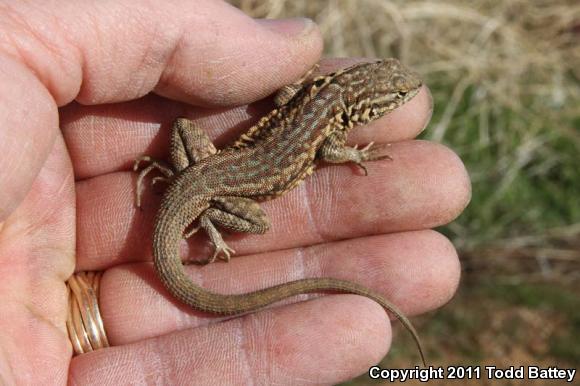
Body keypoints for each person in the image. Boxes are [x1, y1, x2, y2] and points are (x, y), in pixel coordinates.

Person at [0, 0, 468, 384]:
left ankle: (191, 194)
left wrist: (196, 182)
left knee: (185, 130)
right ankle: (202, 211)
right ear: (367, 107)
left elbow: (284, 99)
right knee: (260, 221)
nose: (402, 97)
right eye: (395, 96)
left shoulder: (308, 95)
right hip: (231, 183)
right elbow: (331, 151)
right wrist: (356, 156)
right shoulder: (332, 130)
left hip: (209, 167)